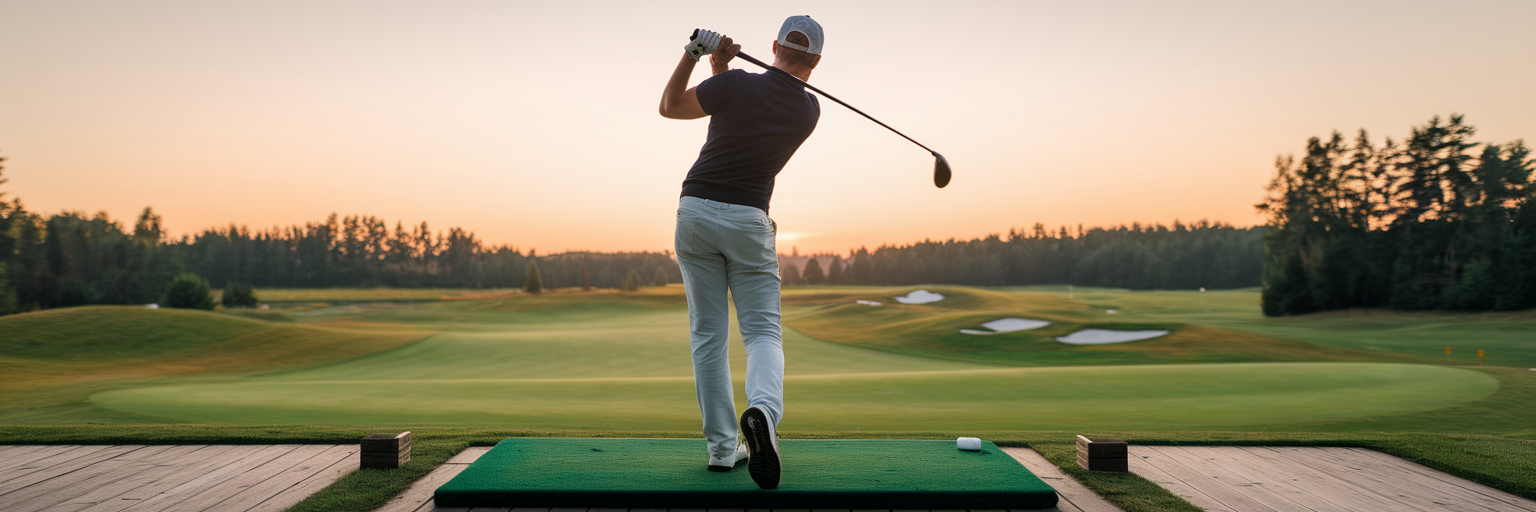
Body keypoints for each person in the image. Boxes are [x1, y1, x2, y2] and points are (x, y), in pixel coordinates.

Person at [657, 15, 824, 490]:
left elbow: (671, 107)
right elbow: (745, 111)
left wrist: (699, 57)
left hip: (695, 212)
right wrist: (723, 70)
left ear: (773, 45)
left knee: (708, 337)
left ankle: (720, 449)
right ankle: (764, 416)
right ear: (815, 61)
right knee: (762, 333)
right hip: (749, 219)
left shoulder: (733, 84)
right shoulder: (808, 110)